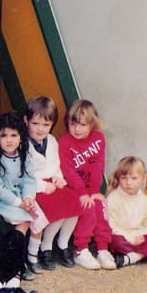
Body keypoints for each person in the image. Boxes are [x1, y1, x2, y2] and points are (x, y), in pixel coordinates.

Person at [23, 96, 81, 273]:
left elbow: (56, 164)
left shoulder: (52, 140)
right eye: (35, 123)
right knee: (58, 208)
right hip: (36, 187)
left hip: (53, 183)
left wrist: (58, 177)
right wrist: (42, 186)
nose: (40, 129)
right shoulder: (24, 144)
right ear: (26, 121)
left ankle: (62, 244)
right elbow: (25, 175)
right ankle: (46, 247)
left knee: (74, 202)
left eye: (46, 125)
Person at [58, 99, 116, 270]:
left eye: (82, 125)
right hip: (71, 188)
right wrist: (83, 192)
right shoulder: (65, 142)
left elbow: (98, 165)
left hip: (90, 189)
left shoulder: (98, 138)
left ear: (92, 124)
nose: (77, 129)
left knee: (100, 206)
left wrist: (94, 191)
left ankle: (103, 249)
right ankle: (80, 249)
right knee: (88, 208)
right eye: (73, 124)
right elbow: (68, 170)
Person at [0, 113, 49, 280]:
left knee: (39, 218)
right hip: (6, 201)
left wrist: (28, 198)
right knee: (23, 223)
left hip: (22, 199)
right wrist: (19, 203)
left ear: (21, 137)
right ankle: (17, 263)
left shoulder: (24, 156)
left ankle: (31, 256)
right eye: (4, 135)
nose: (9, 140)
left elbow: (29, 180)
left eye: (14, 135)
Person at [106, 156, 147, 267]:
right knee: (113, 241)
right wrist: (131, 239)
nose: (128, 182)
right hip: (121, 237)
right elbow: (111, 226)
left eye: (134, 178)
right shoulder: (112, 198)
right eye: (124, 178)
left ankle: (131, 258)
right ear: (118, 178)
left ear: (143, 178)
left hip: (140, 238)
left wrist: (141, 238)